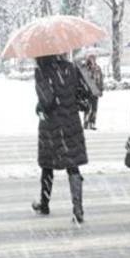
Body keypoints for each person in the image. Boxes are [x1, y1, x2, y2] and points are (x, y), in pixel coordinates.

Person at [31, 54, 90, 223]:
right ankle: (78, 209)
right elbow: (84, 96)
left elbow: (47, 102)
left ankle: (44, 203)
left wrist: (38, 107)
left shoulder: (42, 71)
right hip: (71, 123)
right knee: (72, 165)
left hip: (51, 126)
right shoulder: (71, 68)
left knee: (47, 165)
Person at [81, 54, 103, 130]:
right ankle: (86, 122)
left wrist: (100, 89)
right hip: (87, 91)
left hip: (95, 91)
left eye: (93, 58)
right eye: (90, 58)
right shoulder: (84, 68)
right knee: (87, 108)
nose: (92, 59)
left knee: (94, 109)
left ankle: (92, 123)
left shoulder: (97, 68)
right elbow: (82, 79)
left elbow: (100, 80)